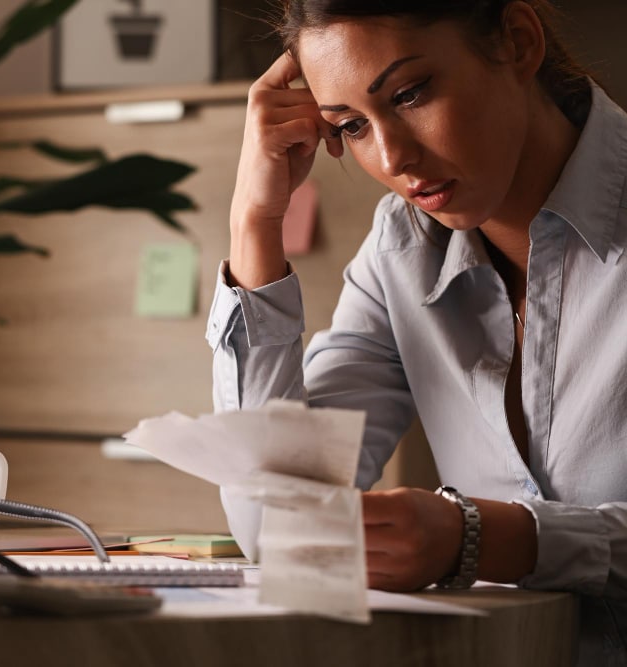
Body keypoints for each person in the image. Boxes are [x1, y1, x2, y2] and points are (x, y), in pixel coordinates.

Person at [207, 1, 626, 664]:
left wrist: (488, 537)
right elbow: (278, 525)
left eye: (410, 93)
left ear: (517, 42)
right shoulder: (400, 251)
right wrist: (255, 224)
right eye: (351, 126)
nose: (394, 157)